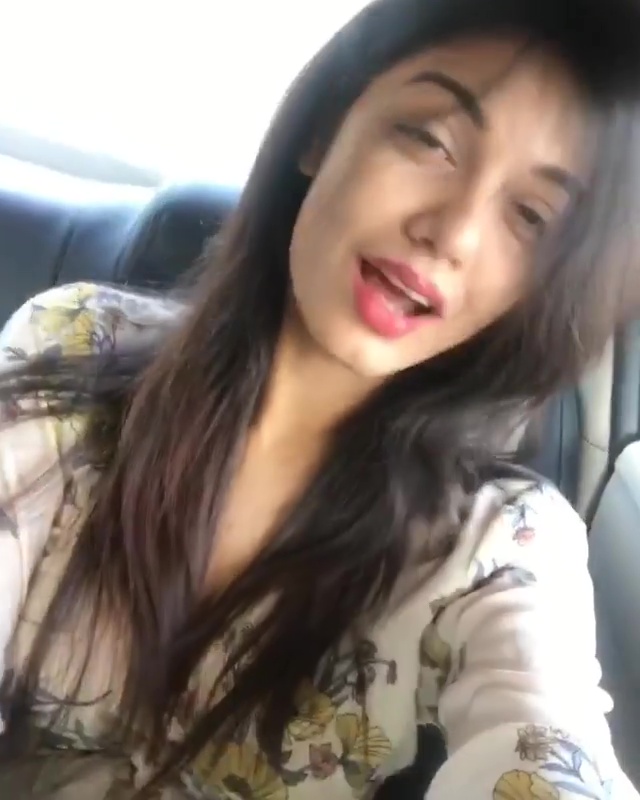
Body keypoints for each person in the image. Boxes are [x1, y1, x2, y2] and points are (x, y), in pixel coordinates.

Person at [1, 0, 640, 797]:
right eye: (431, 140)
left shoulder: (504, 546)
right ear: (322, 130)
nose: (452, 233)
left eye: (531, 217)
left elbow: (546, 744)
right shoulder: (75, 343)